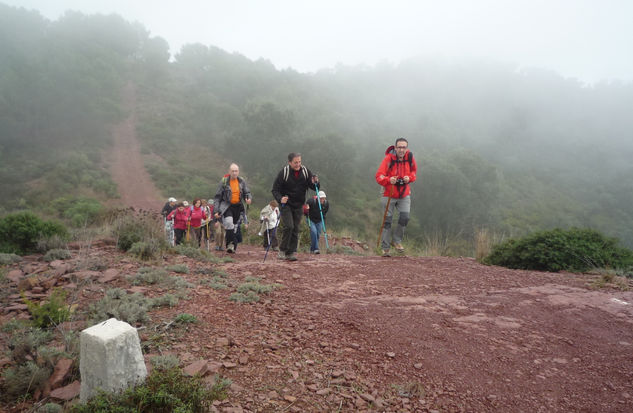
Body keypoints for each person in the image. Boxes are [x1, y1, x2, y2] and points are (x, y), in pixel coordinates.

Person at [271, 152, 318, 261]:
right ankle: (282, 250)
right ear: (289, 162)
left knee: (296, 228)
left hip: (299, 204)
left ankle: (290, 252)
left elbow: (313, 186)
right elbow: (275, 189)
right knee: (289, 226)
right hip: (286, 204)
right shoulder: (284, 172)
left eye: (299, 162)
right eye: (295, 162)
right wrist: (280, 198)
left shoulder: (305, 171)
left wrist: (316, 182)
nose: (298, 165)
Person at [375, 137, 417, 256]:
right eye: (399, 147)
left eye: (404, 147)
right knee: (387, 220)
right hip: (389, 193)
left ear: (406, 148)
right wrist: (389, 180)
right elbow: (379, 176)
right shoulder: (388, 159)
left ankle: (396, 241)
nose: (401, 150)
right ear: (395, 147)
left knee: (405, 217)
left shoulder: (410, 157)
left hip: (404, 193)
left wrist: (410, 178)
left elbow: (414, 171)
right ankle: (385, 248)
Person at [213, 163, 252, 253]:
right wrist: (216, 211)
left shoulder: (241, 181)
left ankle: (233, 245)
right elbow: (217, 197)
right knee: (229, 223)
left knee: (234, 227)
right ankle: (230, 245)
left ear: (238, 172)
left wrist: (249, 198)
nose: (234, 173)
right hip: (227, 206)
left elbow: (247, 192)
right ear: (229, 172)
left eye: (236, 171)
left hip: (238, 206)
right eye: (232, 171)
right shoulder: (224, 182)